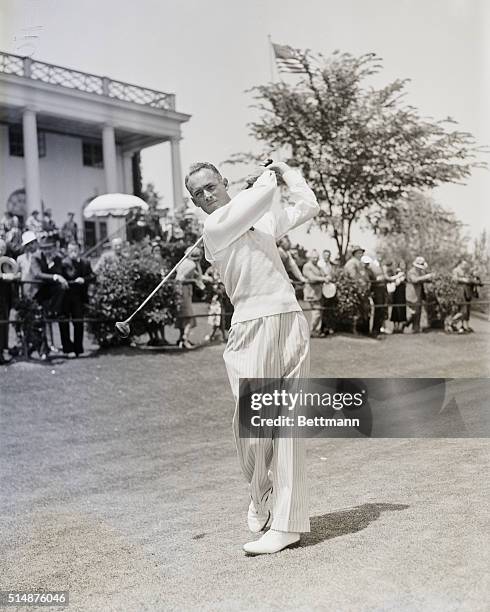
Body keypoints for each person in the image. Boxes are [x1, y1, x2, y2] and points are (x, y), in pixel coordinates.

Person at [186, 159, 319, 555]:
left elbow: (307, 205)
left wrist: (288, 171)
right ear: (196, 204)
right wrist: (267, 176)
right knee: (250, 422)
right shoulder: (215, 227)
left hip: (290, 317)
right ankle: (260, 491)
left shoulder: (260, 217)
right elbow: (261, 195)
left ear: (224, 183)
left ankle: (287, 523)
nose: (207, 196)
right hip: (250, 326)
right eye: (199, 194)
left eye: (211, 186)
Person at [59, 242, 94, 356]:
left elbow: (92, 276)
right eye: (70, 250)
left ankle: (78, 349)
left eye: (75, 250)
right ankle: (68, 349)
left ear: (79, 250)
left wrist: (84, 279)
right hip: (65, 297)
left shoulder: (85, 262)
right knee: (64, 322)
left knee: (78, 323)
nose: (73, 252)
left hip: (79, 297)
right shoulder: (63, 263)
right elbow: (60, 276)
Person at [175, 246, 204, 349]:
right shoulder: (191, 265)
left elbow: (198, 275)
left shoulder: (184, 262)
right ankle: (184, 339)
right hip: (184, 291)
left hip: (181, 291)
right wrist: (194, 281)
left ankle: (181, 339)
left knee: (183, 316)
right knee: (189, 317)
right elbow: (180, 279)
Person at [302, 249, 328, 337]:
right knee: (316, 312)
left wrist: (327, 277)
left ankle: (316, 331)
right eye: (314, 258)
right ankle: (312, 331)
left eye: (317, 257)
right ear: (310, 257)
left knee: (319, 312)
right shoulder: (307, 266)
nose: (316, 259)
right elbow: (311, 278)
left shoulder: (318, 267)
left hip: (319, 293)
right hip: (311, 293)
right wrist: (323, 279)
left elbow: (326, 274)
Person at [0, 238, 18, 364]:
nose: (1, 251)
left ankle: (2, 351)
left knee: (3, 325)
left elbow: (12, 271)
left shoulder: (5, 261)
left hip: (4, 298)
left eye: (3, 248)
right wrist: (5, 276)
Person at [405, 256, 434, 333]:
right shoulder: (411, 272)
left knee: (418, 312)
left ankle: (416, 328)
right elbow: (414, 280)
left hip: (419, 294)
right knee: (413, 313)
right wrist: (426, 277)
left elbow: (422, 279)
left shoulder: (420, 272)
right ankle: (405, 324)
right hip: (412, 295)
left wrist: (430, 279)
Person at [452, 259, 477, 333]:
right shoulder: (456, 270)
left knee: (466, 311)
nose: (465, 266)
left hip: (466, 293)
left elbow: (471, 279)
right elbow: (454, 279)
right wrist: (463, 279)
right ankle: (451, 323)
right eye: (464, 264)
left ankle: (463, 326)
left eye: (466, 264)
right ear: (460, 264)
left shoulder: (465, 271)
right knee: (462, 311)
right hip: (460, 292)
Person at [385, 261, 407, 333]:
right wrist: (399, 277)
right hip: (396, 294)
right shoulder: (396, 273)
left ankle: (400, 327)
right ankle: (395, 327)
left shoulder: (405, 273)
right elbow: (396, 282)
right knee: (396, 309)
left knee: (402, 309)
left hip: (402, 294)